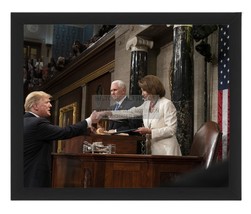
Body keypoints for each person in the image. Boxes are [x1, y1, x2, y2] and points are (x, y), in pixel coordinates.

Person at [23, 91, 98, 187]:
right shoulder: (37, 123)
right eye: (46, 102)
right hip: (34, 180)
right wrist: (89, 120)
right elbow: (65, 132)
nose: (50, 105)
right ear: (35, 106)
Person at [97, 75, 182, 156]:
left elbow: (171, 130)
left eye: (143, 90)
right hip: (152, 150)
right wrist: (109, 113)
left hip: (167, 151)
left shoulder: (166, 104)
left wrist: (150, 131)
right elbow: (129, 113)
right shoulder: (146, 104)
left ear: (152, 89)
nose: (142, 94)